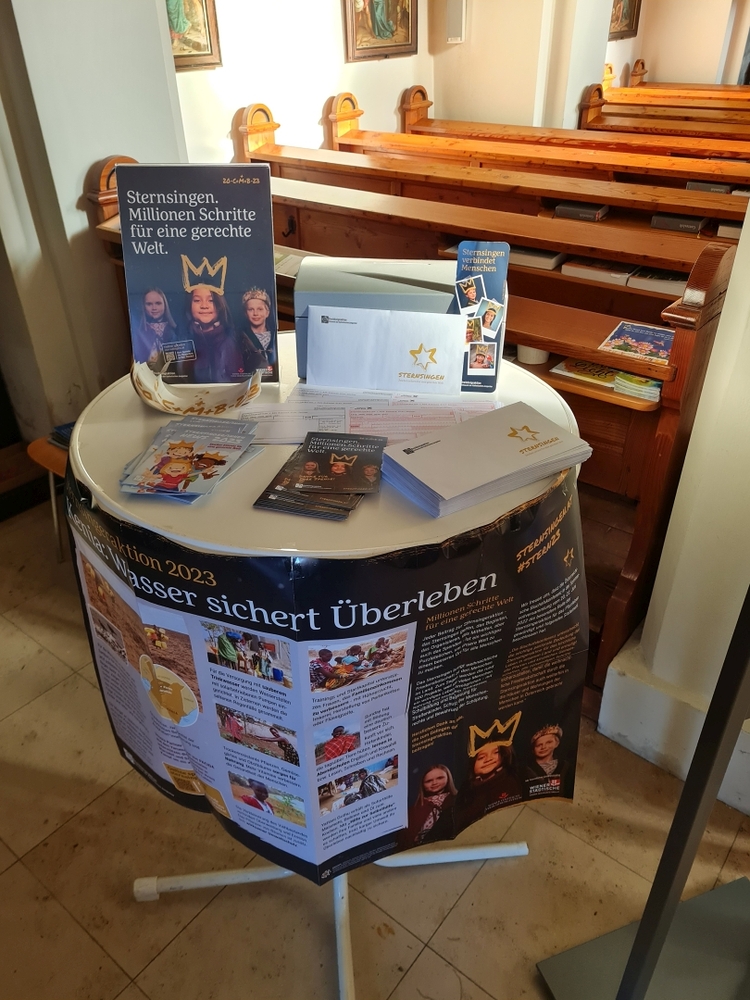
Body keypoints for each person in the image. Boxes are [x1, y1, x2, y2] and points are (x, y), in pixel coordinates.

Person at [182, 285, 245, 383]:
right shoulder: (181, 339)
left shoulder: (236, 338)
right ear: (189, 304)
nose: (204, 306)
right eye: (197, 300)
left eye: (211, 300)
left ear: (220, 304)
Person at [455, 742, 523, 828]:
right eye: (481, 757)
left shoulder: (512, 779)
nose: (489, 759)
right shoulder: (466, 791)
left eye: (496, 752)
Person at [403, 765, 457, 847]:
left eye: (440, 778)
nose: (434, 783)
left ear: (448, 778)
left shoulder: (456, 800)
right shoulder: (414, 810)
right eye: (429, 781)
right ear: (422, 784)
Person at [132, 288, 177, 367]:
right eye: (149, 304)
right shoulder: (138, 333)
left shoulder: (176, 331)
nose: (154, 308)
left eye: (158, 303)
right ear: (144, 306)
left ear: (165, 305)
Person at [525, 725, 572, 796]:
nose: (543, 747)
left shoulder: (565, 767)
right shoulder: (525, 770)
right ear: (533, 749)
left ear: (556, 743)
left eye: (549, 742)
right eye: (539, 745)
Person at [239, 288, 275, 372]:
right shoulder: (239, 338)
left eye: (260, 309)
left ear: (267, 312)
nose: (255, 313)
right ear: (245, 313)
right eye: (251, 309)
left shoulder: (275, 336)